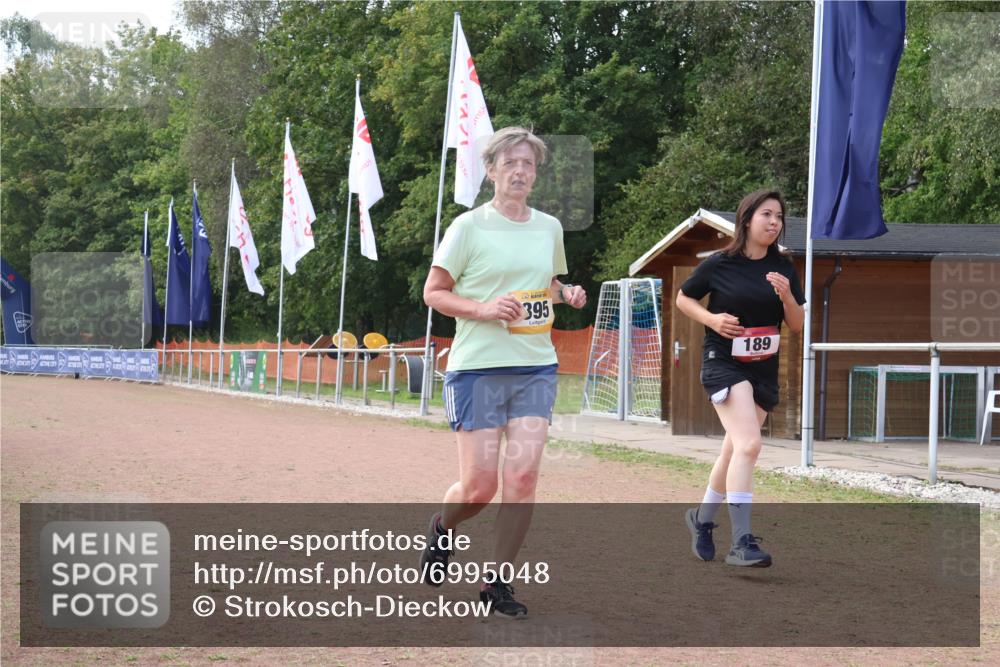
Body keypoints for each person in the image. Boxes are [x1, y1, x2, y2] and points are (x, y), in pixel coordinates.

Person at [420, 126, 586, 617]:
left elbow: (547, 284)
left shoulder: (549, 227)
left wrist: (566, 294)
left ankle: (497, 585)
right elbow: (434, 292)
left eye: (528, 164)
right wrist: (484, 308)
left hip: (535, 366)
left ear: (536, 174)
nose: (520, 171)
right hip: (478, 370)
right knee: (479, 489)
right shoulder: (468, 227)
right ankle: (442, 527)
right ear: (491, 170)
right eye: (510, 162)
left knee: (523, 477)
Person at [675, 189, 805, 567]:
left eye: (779, 216)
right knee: (749, 445)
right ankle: (741, 542)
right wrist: (713, 320)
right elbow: (684, 299)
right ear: (747, 219)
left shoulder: (784, 269)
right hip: (723, 363)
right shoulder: (720, 263)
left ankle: (701, 519)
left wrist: (787, 299)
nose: (774, 222)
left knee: (733, 450)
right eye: (767, 214)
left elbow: (796, 325)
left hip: (762, 367)